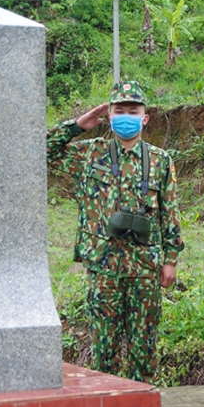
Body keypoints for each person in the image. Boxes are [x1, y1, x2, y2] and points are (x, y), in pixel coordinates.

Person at [46, 80, 184, 384]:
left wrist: (170, 259)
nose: (125, 116)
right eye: (119, 110)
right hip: (103, 267)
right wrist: (77, 126)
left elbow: (170, 212)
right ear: (108, 115)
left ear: (144, 118)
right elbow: (41, 152)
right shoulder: (90, 154)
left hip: (144, 268)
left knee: (144, 349)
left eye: (132, 111)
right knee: (104, 350)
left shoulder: (160, 160)